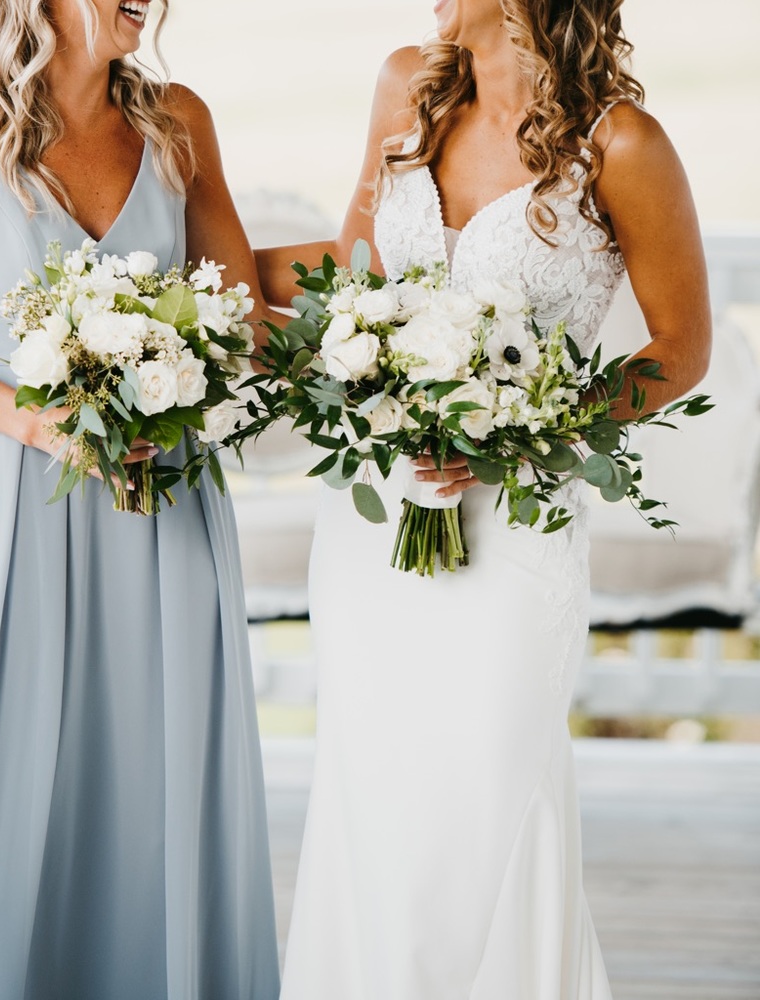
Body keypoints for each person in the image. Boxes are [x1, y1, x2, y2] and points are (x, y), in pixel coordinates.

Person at [255, 1, 710, 997]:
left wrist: (526, 433)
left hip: (516, 524)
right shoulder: (407, 84)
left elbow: (676, 348)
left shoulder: (618, 142)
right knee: (373, 794)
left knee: (485, 796)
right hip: (378, 515)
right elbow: (357, 263)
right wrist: (214, 283)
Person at [0, 1, 281, 997]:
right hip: (20, 502)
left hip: (164, 496)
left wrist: (375, 265)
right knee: (2, 771)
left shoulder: (179, 123)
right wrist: (38, 421)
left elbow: (239, 320)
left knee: (157, 776)